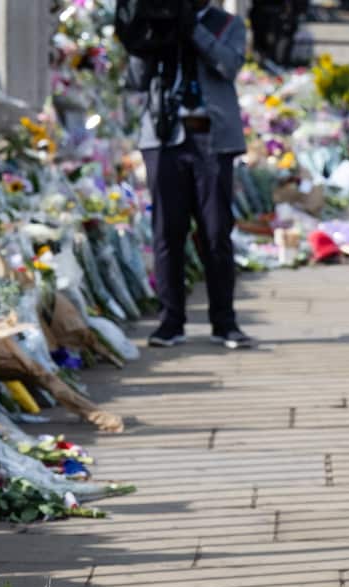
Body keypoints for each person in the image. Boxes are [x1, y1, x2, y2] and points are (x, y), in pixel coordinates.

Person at [127, 0, 255, 349]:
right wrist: (143, 36)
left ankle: (224, 322)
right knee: (167, 231)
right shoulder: (159, 19)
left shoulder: (226, 24)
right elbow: (137, 80)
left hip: (212, 138)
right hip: (164, 137)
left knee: (215, 231)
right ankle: (170, 322)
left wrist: (192, 28)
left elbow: (228, 65)